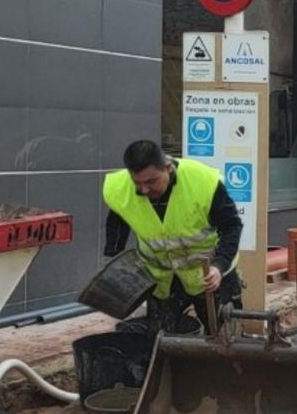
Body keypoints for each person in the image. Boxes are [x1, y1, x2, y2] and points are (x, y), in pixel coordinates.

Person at [103, 140, 243, 334]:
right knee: (161, 341)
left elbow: (231, 227)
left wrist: (219, 266)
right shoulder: (120, 189)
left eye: (151, 182)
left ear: (168, 168)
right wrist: (113, 257)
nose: (144, 190)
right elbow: (118, 221)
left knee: (223, 339)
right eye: (138, 183)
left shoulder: (203, 183)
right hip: (163, 279)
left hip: (209, 276)